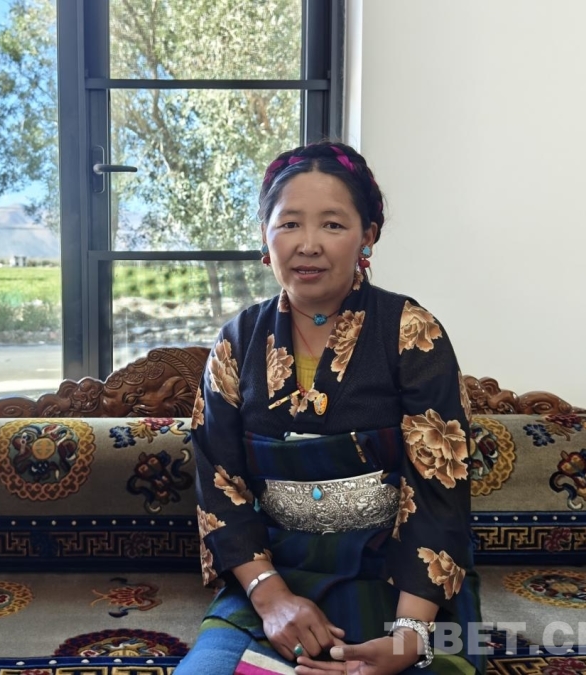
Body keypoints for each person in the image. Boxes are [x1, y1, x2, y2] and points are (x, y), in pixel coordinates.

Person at [177, 140, 483, 675]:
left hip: (403, 583)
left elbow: (441, 493)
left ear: (368, 235)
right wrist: (272, 599)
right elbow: (219, 487)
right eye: (289, 223)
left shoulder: (412, 332)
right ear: (265, 235)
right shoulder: (237, 342)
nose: (308, 244)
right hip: (276, 577)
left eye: (333, 225)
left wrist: (409, 636)